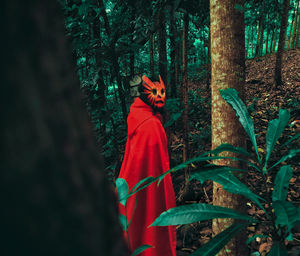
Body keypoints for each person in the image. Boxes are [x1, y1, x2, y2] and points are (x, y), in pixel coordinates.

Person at [118, 75, 177, 256]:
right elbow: (158, 174)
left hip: (132, 188)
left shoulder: (137, 116)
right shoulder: (151, 125)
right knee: (151, 213)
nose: (160, 97)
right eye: (154, 92)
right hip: (145, 186)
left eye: (162, 92)